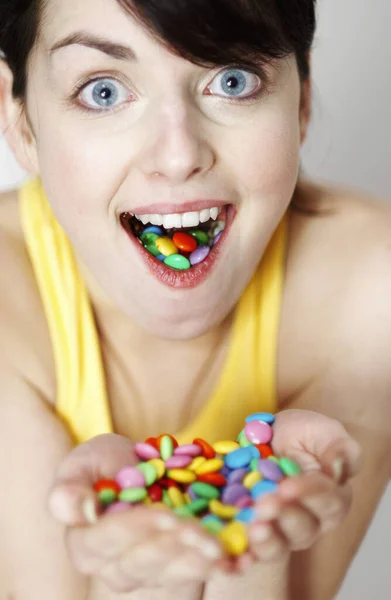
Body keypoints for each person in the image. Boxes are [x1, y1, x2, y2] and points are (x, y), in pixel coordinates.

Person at [0, 0, 390, 598]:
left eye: (231, 80)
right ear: (20, 119)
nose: (179, 155)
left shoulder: (372, 287)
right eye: (103, 92)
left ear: (303, 99)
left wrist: (257, 563)